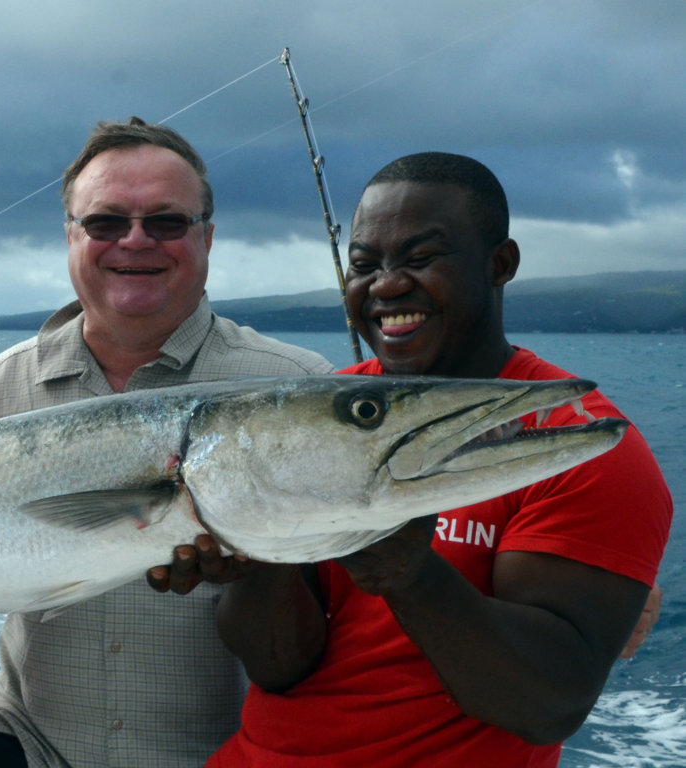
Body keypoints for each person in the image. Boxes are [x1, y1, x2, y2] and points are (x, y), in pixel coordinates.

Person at [208, 152, 673, 767]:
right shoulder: (318, 415)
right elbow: (280, 668)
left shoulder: (577, 445)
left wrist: (409, 575)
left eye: (421, 259)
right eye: (364, 266)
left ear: (499, 264)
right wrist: (259, 547)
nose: (387, 285)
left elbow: (546, 704)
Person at [0, 117, 334, 768]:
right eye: (104, 222)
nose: (134, 240)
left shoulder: (301, 392)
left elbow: (308, 656)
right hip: (28, 743)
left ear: (207, 237)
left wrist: (259, 573)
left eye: (165, 221)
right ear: (69, 237)